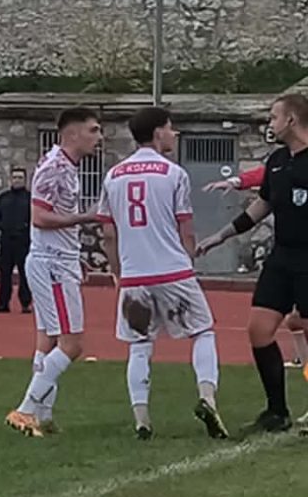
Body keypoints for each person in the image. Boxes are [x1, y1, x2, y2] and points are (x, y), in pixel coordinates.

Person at [97, 107, 228, 440]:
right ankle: (207, 398)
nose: (174, 134)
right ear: (157, 133)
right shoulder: (174, 173)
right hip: (173, 272)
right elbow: (185, 226)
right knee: (203, 331)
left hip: (134, 277)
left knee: (139, 345)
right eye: (170, 128)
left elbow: (108, 233)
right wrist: (190, 257)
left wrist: (117, 273)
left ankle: (142, 420)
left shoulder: (113, 176)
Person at [198, 93, 308, 434]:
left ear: (291, 120)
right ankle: (277, 411)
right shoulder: (277, 161)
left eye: (274, 117)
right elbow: (261, 207)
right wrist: (221, 236)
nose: (269, 123)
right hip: (283, 257)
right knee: (259, 329)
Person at [5, 107, 103, 437]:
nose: (99, 137)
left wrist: (75, 254)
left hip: (57, 260)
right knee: (72, 344)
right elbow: (40, 218)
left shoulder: (65, 167)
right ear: (72, 134)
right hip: (53, 266)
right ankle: (25, 409)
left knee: (47, 341)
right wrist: (85, 218)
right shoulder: (54, 168)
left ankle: (43, 417)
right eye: (93, 130)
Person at [203, 165, 308, 373]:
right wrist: (237, 181)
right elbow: (270, 176)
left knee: (297, 320)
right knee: (284, 322)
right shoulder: (283, 160)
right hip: (287, 257)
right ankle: (302, 362)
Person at [0, 168, 33, 314]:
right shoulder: (4, 198)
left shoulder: (30, 199)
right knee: (5, 273)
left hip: (24, 241)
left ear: (25, 180)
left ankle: (25, 304)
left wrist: (26, 229)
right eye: (15, 177)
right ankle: (3, 304)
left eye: (20, 177)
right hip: (7, 241)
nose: (17, 180)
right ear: (10, 179)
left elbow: (35, 218)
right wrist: (3, 226)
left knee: (25, 273)